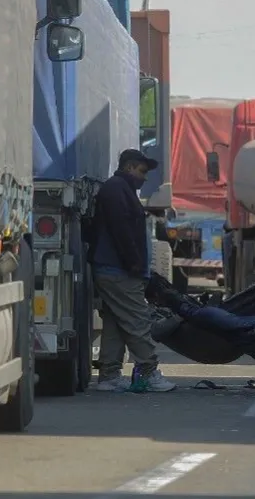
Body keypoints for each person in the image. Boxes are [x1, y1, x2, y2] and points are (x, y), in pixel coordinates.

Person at [90, 149, 177, 392]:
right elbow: (123, 232)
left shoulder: (119, 189)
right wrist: (135, 265)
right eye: (142, 171)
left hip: (113, 269)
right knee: (138, 320)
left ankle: (109, 375)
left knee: (117, 322)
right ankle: (149, 372)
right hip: (119, 270)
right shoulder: (118, 190)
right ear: (129, 167)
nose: (145, 178)